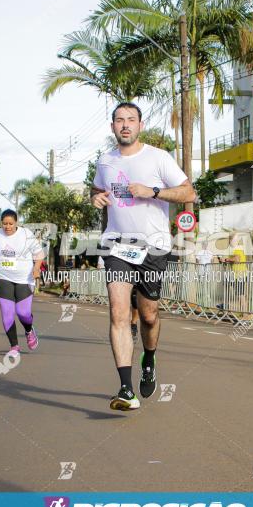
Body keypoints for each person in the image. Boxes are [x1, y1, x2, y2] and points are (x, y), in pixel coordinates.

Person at [91, 102, 196, 411]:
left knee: (148, 314)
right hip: (116, 245)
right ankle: (125, 389)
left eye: (131, 120)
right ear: (112, 127)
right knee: (119, 313)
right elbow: (97, 189)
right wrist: (96, 197)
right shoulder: (105, 161)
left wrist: (152, 191)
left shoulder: (158, 158)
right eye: (120, 120)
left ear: (140, 125)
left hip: (153, 246)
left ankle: (149, 356)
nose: (125, 125)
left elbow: (188, 192)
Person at [0, 210, 44, 355]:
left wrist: (37, 268)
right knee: (7, 314)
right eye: (5, 223)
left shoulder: (26, 234)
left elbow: (39, 253)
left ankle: (29, 330)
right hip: (3, 277)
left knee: (23, 313)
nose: (7, 227)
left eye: (11, 224)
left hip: (24, 279)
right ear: (1, 223)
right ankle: (14, 347)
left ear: (16, 222)